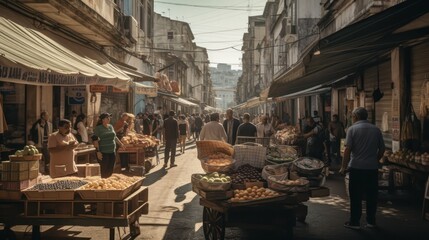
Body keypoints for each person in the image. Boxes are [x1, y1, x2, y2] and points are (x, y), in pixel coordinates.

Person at [339, 107, 385, 230]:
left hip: (356, 168)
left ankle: (355, 222)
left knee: (355, 196)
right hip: (372, 169)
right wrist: (374, 160)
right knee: (372, 195)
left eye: (352, 116)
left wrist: (343, 167)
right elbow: (382, 149)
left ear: (356, 117)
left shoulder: (352, 129)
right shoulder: (376, 129)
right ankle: (371, 221)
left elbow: (347, 150)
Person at [93, 113, 125, 178]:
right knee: (104, 168)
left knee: (111, 168)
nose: (109, 119)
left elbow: (114, 137)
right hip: (104, 152)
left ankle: (108, 181)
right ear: (102, 120)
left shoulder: (110, 126)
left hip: (112, 151)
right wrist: (98, 152)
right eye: (107, 118)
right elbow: (95, 140)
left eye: (109, 118)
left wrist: (121, 144)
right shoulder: (98, 128)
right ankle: (104, 182)